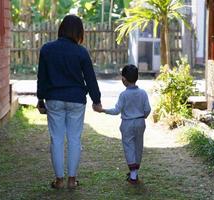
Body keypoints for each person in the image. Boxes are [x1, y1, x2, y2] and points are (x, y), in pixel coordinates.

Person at [37, 15, 102, 189]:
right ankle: (72, 180)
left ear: (61, 29)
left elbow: (41, 77)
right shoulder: (81, 52)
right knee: (74, 139)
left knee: (56, 139)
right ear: (79, 32)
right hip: (76, 100)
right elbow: (90, 78)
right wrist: (97, 100)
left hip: (54, 99)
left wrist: (40, 99)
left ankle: (59, 180)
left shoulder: (47, 49)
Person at [93, 64, 151, 185]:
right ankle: (135, 172)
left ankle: (133, 174)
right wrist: (143, 116)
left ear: (123, 79)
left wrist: (103, 110)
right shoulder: (143, 93)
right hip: (140, 122)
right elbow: (148, 109)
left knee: (129, 147)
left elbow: (116, 111)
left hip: (127, 123)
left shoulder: (124, 95)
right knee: (138, 146)